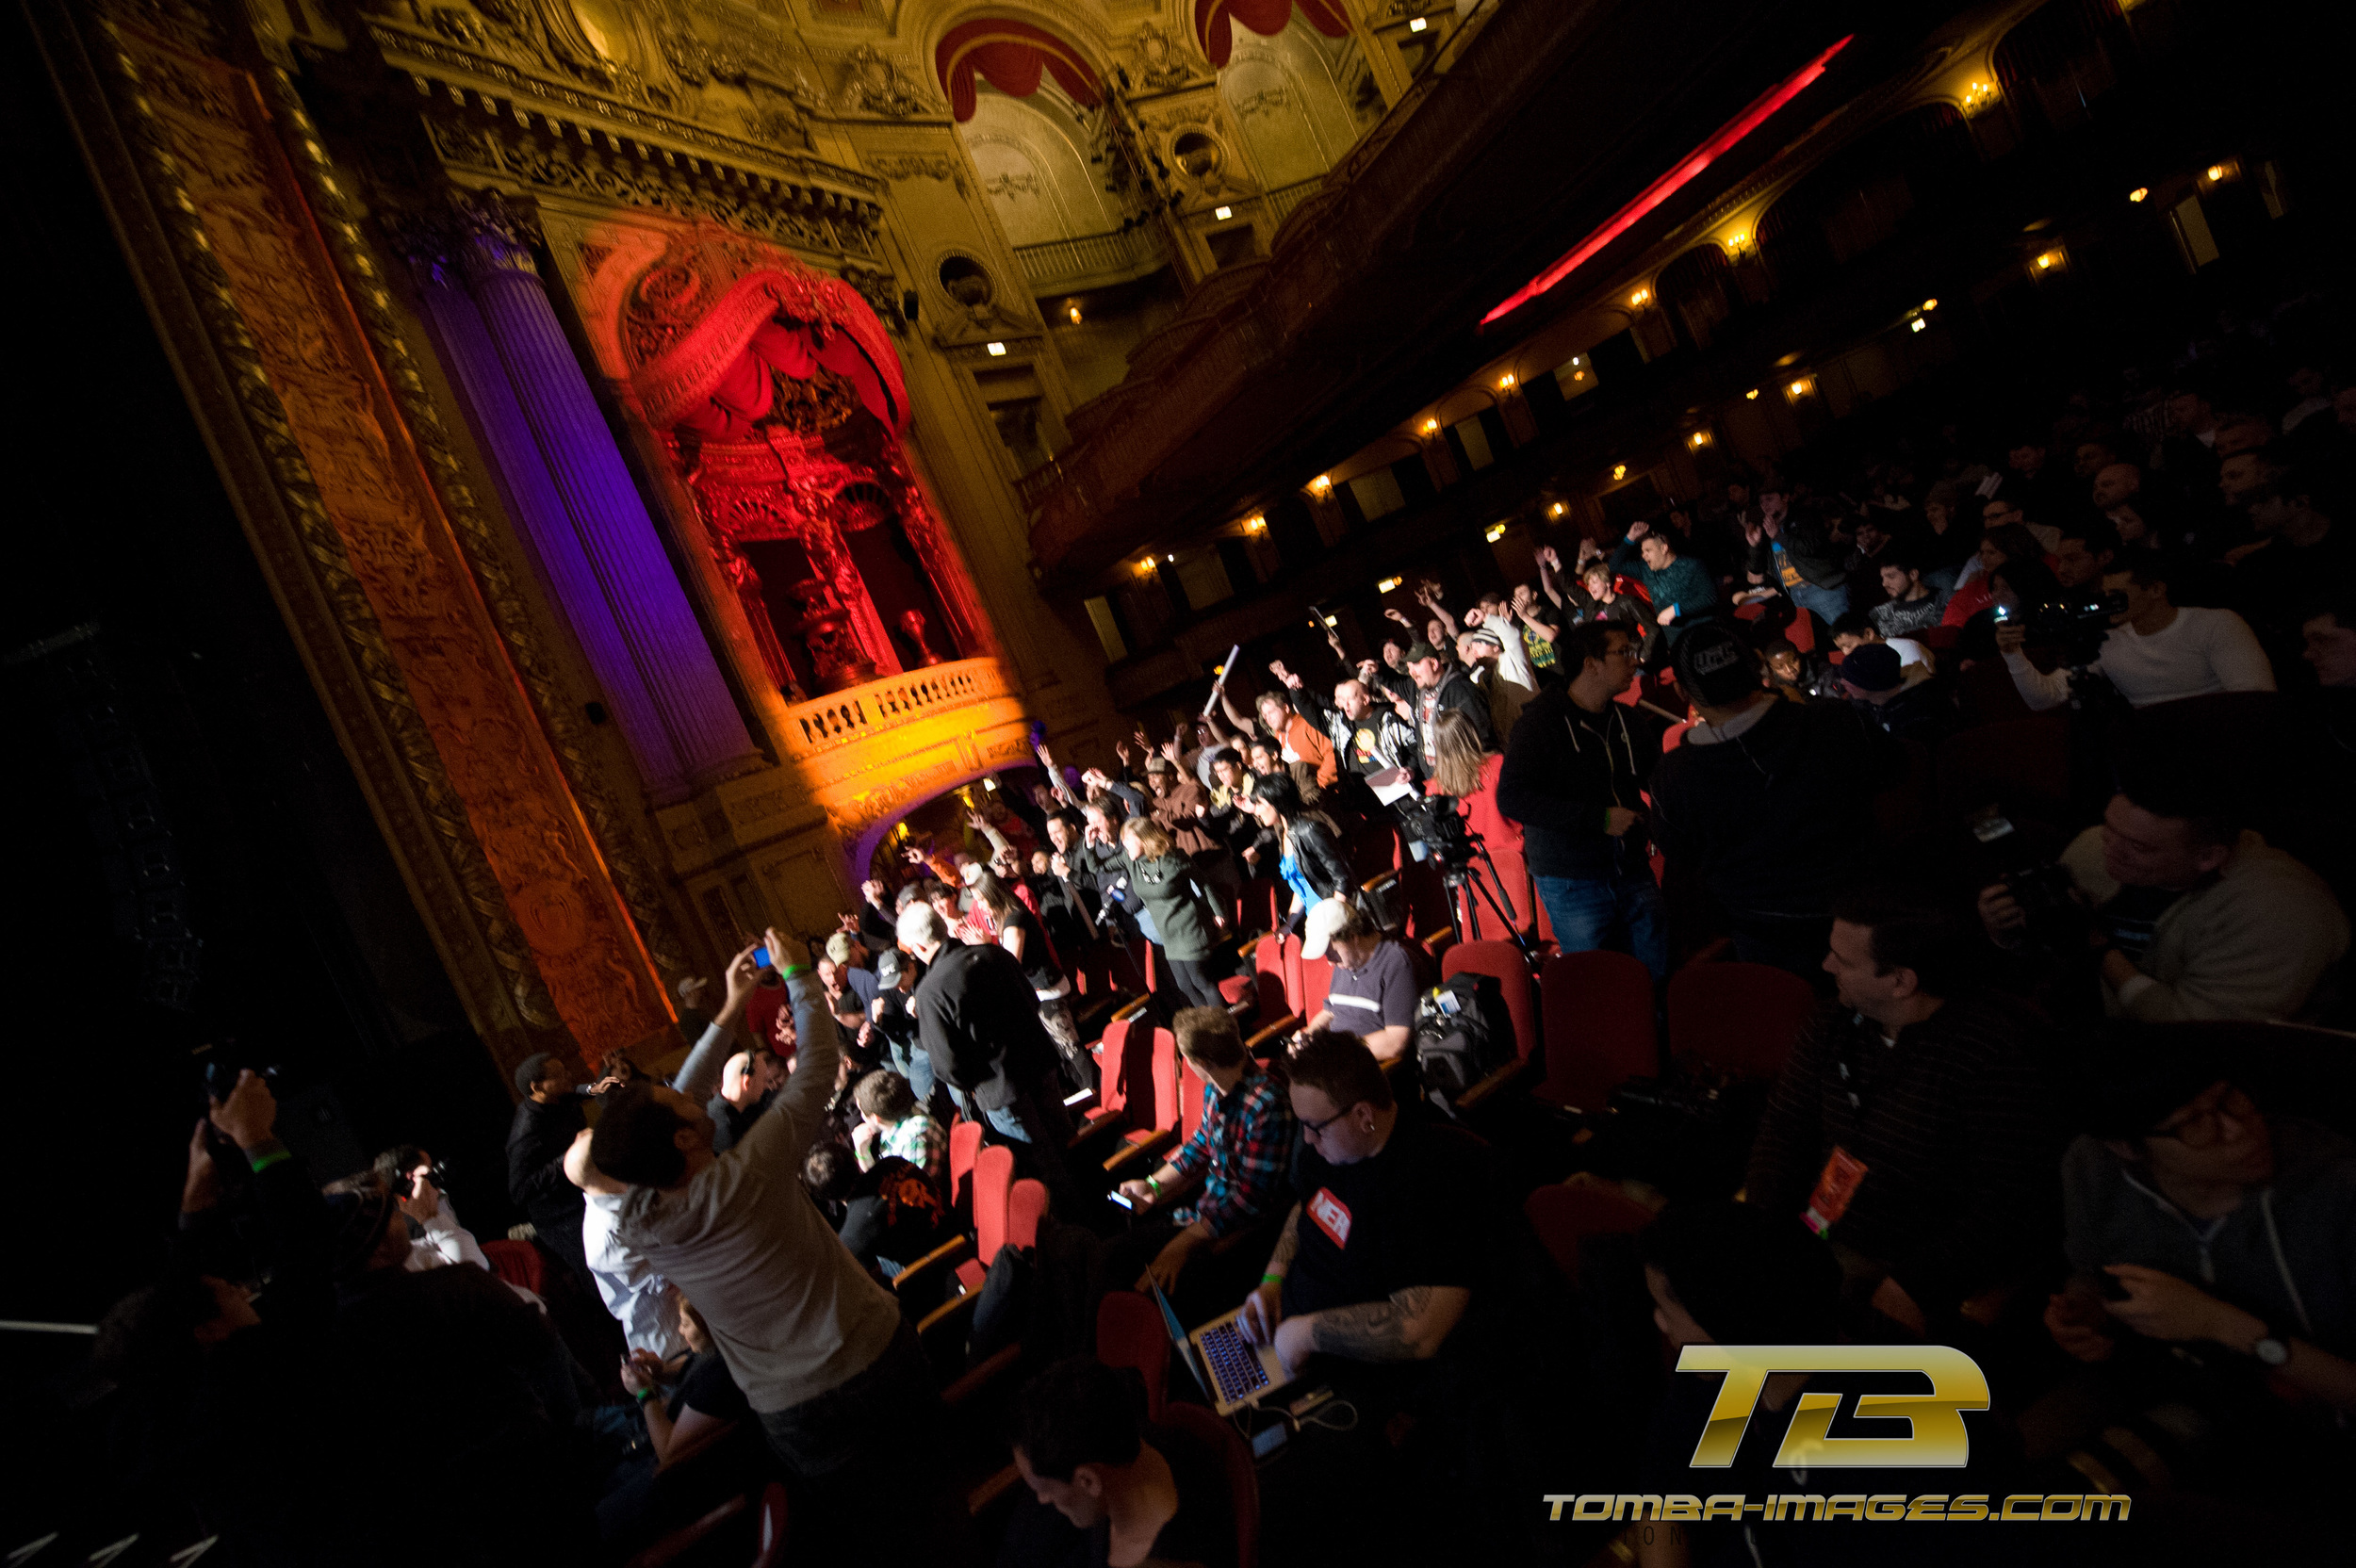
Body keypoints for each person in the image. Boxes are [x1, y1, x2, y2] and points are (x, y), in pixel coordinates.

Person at [592, 928, 952, 1556]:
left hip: (791, 1408)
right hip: (870, 1358)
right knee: (938, 1501)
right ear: (680, 1139)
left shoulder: (640, 1215)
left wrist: (729, 1009)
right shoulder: (749, 1172)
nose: (683, 1093)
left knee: (872, 1540)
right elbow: (814, 1066)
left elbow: (678, 1101)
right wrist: (796, 978)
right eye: (672, 1103)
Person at [1746, 883, 2058, 1333]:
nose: (1825, 965)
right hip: (1822, 1232)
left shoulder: (1991, 1057)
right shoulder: (1832, 1021)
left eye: (1844, 960)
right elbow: (1784, 1129)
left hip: (1907, 1265)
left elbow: (2008, 1205)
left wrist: (1912, 1283)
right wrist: (1765, 1231)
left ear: (1900, 981)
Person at [2046, 1031, 2356, 1414]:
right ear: (2125, 1146)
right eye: (2193, 1123)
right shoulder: (2093, 1168)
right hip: (2179, 1400)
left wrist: (2216, 1322)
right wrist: (2086, 1311)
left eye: (2230, 1099)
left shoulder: (2336, 1189)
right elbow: (2092, 1272)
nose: (2239, 1130)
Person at [1976, 755, 2348, 1021]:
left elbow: (2196, 1034)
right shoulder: (2095, 847)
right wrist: (2008, 932)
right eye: (2109, 828)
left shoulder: (2280, 912)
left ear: (2207, 857)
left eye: (2137, 847)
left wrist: (2097, 945)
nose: (2109, 851)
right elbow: (2055, 954)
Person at [1237, 1029, 1505, 1374]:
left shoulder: (1434, 1174)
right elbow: (1306, 1208)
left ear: (1364, 1115)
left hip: (1351, 1366)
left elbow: (1420, 1332)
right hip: (1280, 1326)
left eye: (1314, 1127)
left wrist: (1305, 1334)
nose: (1306, 1138)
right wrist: (1272, 1282)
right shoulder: (1327, 1148)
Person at [1646, 621, 1903, 976]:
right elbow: (1895, 774)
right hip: (1869, 917)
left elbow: (1681, 856)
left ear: (1682, 693)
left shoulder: (1674, 775)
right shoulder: (1834, 719)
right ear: (1758, 665)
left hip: (1766, 939)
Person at [1494, 622, 1667, 977]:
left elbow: (1660, 780)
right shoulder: (1541, 723)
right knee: (1602, 985)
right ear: (1591, 664)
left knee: (1656, 976)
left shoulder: (1627, 720)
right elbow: (1512, 798)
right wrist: (1600, 819)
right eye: (1623, 652)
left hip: (1632, 870)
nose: (1634, 661)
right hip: (1573, 882)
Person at [900, 902, 1082, 1200]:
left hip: (1000, 1090)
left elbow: (946, 1065)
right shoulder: (994, 954)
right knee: (1067, 1142)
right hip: (1040, 1066)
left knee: (1041, 1166)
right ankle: (1102, 1210)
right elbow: (1032, 1003)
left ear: (919, 946)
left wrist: (973, 1082)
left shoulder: (930, 992)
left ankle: (1082, 1233)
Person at [1115, 1007, 1298, 1302]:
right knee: (1114, 1254)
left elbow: (1250, 1200)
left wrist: (1181, 1245)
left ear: (1200, 1062)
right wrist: (1153, 1184)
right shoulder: (1216, 1088)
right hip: (1201, 1219)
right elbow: (1201, 1144)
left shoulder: (1268, 1105)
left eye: (1185, 1059)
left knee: (1130, 1279)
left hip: (1229, 1238)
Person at [1005, 1356, 1237, 1568]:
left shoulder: (1166, 1557)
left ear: (1088, 1480)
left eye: (1044, 1489)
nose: (1042, 1499)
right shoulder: (1124, 1434)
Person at [2002, 551, 2275, 711]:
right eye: (2106, 594)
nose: (2110, 602)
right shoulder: (2111, 639)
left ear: (2155, 590)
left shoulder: (2215, 625)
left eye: (2118, 595)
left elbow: (2256, 701)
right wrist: (2013, 653)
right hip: (2151, 748)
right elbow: (2044, 697)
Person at [505, 1049, 618, 1288]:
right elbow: (519, 1190)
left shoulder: (557, 1097)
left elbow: (573, 1091)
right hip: (562, 1218)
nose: (568, 1075)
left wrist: (593, 1087)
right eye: (558, 1074)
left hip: (584, 1197)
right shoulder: (526, 1132)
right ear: (538, 1087)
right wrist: (569, 1158)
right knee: (601, 1278)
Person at [1121, 816, 1231, 1010]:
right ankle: (1210, 1025)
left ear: (1143, 838)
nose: (1124, 845)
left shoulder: (1174, 858)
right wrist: (1089, 844)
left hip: (1190, 927)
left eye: (1128, 839)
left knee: (1200, 981)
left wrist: (1218, 911)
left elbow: (1203, 883)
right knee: (1184, 985)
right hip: (1170, 935)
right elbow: (1096, 865)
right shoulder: (1135, 862)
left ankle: (1224, 1026)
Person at [1301, 898, 1418, 1062]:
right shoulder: (1345, 963)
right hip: (1335, 1060)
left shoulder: (1395, 962)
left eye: (1332, 952)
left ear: (1352, 936)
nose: (1329, 961)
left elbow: (1396, 1041)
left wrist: (1338, 1052)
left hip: (1364, 1068)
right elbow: (1329, 1012)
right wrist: (1307, 1037)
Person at [1247, 773, 1350, 927]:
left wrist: (1335, 920)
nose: (1256, 811)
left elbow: (1342, 878)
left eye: (1259, 804)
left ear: (1276, 802)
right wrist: (1289, 925)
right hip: (1316, 921)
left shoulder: (1308, 830)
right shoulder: (1286, 835)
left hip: (1336, 919)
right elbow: (1302, 888)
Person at [1612, 519, 1719, 657]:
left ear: (1664, 548)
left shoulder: (1692, 565)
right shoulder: (1646, 570)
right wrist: (1630, 538)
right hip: (1677, 643)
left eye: (1648, 550)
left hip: (1704, 635)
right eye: (1642, 551)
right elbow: (1615, 565)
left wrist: (1676, 609)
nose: (1644, 555)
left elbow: (1710, 598)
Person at [1837, 641, 1956, 743]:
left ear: (1872, 684)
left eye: (1850, 679)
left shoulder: (1922, 712)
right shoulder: (1865, 703)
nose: (1843, 682)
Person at [848, 1068, 946, 1183]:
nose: (861, 1116)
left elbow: (909, 1195)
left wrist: (861, 1153)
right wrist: (863, 1152)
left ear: (876, 1118)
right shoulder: (895, 1121)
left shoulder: (915, 1140)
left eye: (862, 1111)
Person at [707, 1048, 786, 1157]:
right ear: (747, 1083)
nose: (767, 1087)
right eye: (763, 1080)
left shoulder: (741, 1107)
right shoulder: (724, 1128)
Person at [1865, 545, 1945, 638]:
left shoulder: (1944, 603)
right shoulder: (1878, 614)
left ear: (1913, 574)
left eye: (1891, 576)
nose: (1884, 584)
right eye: (1883, 578)